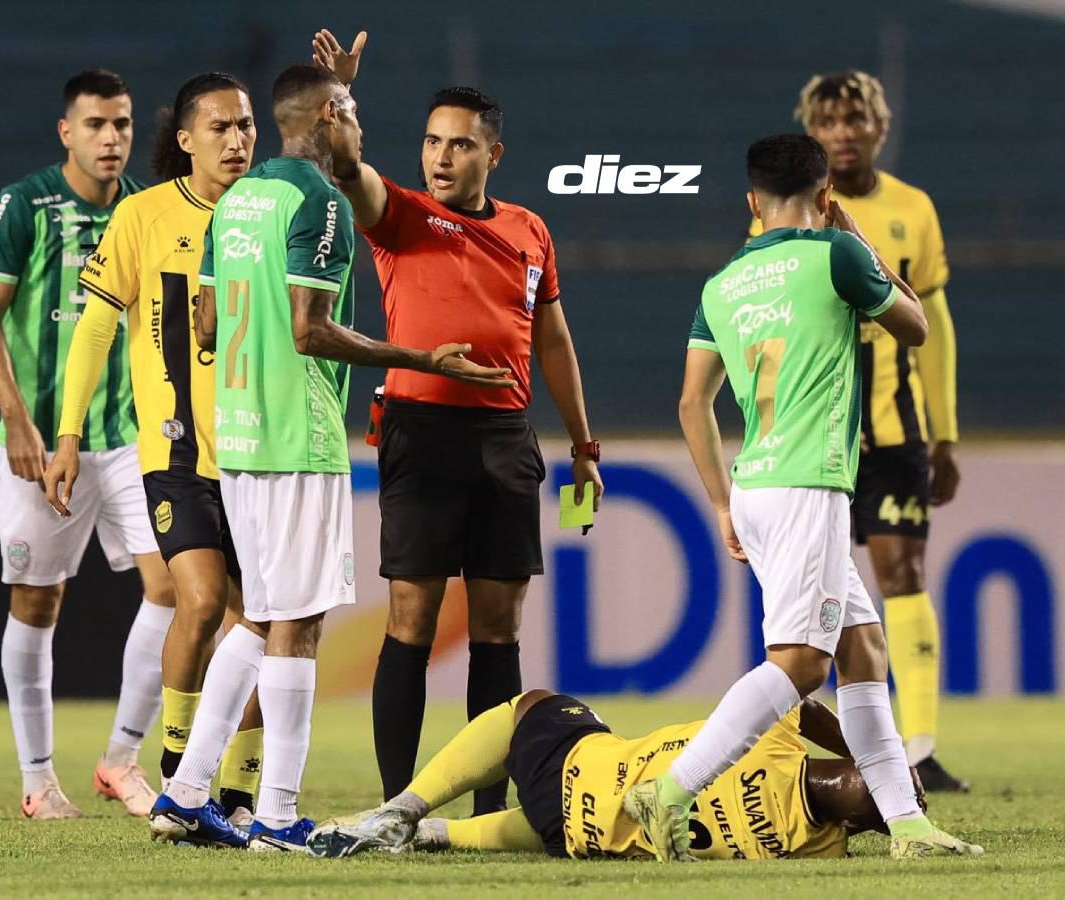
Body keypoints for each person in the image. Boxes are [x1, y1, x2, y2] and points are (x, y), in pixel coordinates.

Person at [147, 63, 514, 851]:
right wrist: (425, 358)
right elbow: (312, 329)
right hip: (294, 439)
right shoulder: (319, 203)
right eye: (349, 110)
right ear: (321, 118)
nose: (359, 126)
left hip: (239, 436)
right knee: (300, 623)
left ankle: (182, 791)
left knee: (259, 617)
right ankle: (278, 813)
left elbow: (207, 325)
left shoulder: (238, 199)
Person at [630, 134, 980, 861]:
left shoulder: (722, 285)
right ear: (826, 197)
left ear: (752, 203)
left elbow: (693, 404)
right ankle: (668, 790)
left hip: (755, 486)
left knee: (863, 648)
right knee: (801, 664)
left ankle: (907, 827)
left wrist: (722, 503)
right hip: (808, 484)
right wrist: (855, 237)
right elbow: (913, 328)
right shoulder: (838, 255)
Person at [312, 29, 603, 817]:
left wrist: (583, 445)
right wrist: (338, 101)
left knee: (498, 629)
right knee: (412, 617)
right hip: (421, 429)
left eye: (460, 145)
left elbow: (553, 340)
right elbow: (348, 169)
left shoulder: (530, 230)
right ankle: (393, 804)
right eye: (433, 142)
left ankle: (485, 812)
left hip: (506, 439)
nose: (440, 157)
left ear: (493, 156)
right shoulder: (399, 216)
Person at [44, 72, 266, 822]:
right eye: (220, 127)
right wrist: (68, 432)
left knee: (254, 621)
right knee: (199, 604)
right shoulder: (143, 215)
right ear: (183, 139)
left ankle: (237, 790)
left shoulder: (268, 213)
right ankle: (178, 767)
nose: (236, 140)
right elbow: (96, 329)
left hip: (255, 451)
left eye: (246, 126)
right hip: (174, 451)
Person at [0, 69, 175, 819]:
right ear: (67, 132)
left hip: (128, 439)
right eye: (95, 125)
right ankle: (38, 780)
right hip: (37, 440)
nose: (112, 138)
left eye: (121, 124)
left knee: (176, 590)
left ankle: (121, 759)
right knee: (37, 600)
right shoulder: (23, 206)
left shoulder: (150, 211)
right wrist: (18, 421)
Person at [784, 71, 964, 791]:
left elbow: (936, 325)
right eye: (827, 121)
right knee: (821, 594)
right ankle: (828, 739)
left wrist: (946, 434)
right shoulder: (790, 210)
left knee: (903, 575)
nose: (843, 132)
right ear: (811, 131)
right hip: (821, 435)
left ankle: (918, 747)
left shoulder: (913, 209)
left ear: (878, 127)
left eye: (855, 118)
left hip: (896, 433)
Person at [307, 691, 928, 860]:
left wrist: (881, 755)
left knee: (530, 706)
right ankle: (438, 835)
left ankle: (405, 809)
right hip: (578, 839)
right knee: (564, 823)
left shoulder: (776, 735)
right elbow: (852, 819)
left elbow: (807, 701)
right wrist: (894, 818)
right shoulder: (815, 848)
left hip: (577, 767)